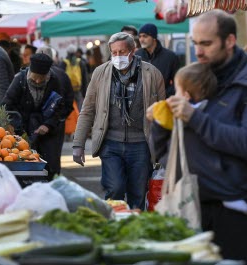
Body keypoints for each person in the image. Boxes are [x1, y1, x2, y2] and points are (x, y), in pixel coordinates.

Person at [150, 10, 247, 263]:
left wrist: (195, 117)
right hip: (191, 205)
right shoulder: (198, 74)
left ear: (229, 41)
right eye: (195, 43)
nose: (198, 51)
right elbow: (163, 152)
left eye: (206, 43)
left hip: (237, 211)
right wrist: (161, 121)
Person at [72, 32, 165, 210]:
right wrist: (78, 144)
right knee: (114, 188)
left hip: (141, 144)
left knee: (137, 193)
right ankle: (115, 223)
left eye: (122, 52)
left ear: (133, 51)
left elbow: (161, 113)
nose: (118, 56)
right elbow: (88, 110)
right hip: (110, 143)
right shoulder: (100, 73)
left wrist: (163, 148)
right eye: (114, 53)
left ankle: (134, 232)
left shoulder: (152, 74)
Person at [2, 53, 65, 179]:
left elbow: (60, 106)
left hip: (48, 130)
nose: (38, 81)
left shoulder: (54, 80)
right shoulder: (20, 80)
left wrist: (48, 125)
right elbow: (7, 105)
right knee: (26, 162)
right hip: (24, 129)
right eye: (35, 77)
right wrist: (16, 127)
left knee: (50, 164)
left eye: (42, 78)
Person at [36, 46, 74, 175]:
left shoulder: (26, 75)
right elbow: (68, 102)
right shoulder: (61, 74)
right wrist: (60, 119)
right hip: (56, 125)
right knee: (53, 159)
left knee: (35, 159)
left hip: (36, 125)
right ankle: (52, 184)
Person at [136, 23, 179, 98]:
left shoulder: (170, 56)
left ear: (154, 37)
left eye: (145, 36)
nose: (141, 39)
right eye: (140, 36)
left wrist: (164, 94)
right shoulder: (137, 55)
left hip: (163, 101)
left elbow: (178, 81)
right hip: (142, 102)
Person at [60, 44, 88, 110]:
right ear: (75, 52)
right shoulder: (80, 62)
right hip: (78, 90)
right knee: (79, 108)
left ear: (67, 52)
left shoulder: (63, 63)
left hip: (67, 91)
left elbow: (61, 78)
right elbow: (84, 79)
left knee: (69, 109)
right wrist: (85, 93)